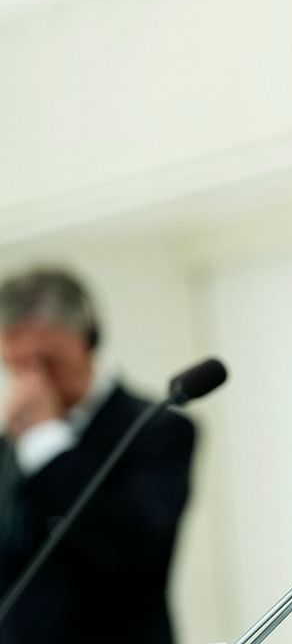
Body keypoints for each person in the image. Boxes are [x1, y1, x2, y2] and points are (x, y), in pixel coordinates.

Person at [0, 267, 195, 644]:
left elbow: (132, 551)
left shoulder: (157, 429)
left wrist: (48, 442)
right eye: (16, 365)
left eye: (48, 362)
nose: (32, 380)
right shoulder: (9, 442)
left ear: (88, 338)